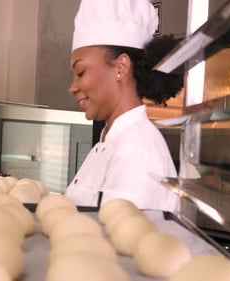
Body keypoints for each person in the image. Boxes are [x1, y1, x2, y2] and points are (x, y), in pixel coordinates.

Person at [64, 0, 184, 212]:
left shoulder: (137, 152)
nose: (72, 87)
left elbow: (123, 238)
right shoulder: (113, 139)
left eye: (81, 72)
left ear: (120, 67)